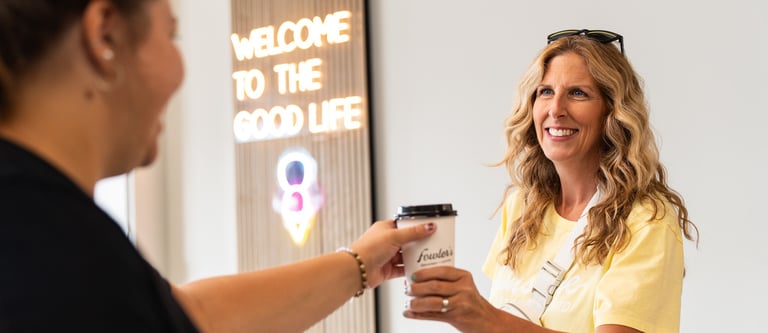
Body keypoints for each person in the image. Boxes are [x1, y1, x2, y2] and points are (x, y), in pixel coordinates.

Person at [0, 0, 436, 332]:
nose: (179, 70)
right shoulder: (62, 258)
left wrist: (357, 264)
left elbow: (189, 314)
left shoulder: (44, 238)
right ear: (105, 37)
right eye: (172, 36)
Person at [402, 29, 699, 333]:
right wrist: (461, 312)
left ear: (613, 112)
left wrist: (483, 317)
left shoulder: (646, 221)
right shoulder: (523, 206)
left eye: (578, 93)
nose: (556, 110)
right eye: (545, 92)